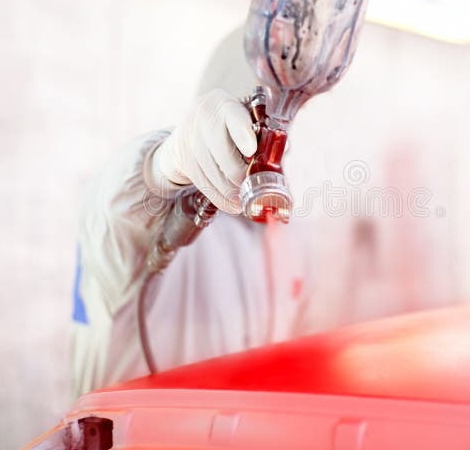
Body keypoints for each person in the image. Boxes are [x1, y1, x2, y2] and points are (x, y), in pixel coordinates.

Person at [70, 29, 311, 397]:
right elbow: (118, 206)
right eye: (265, 111)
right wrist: (163, 162)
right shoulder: (150, 217)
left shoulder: (288, 239)